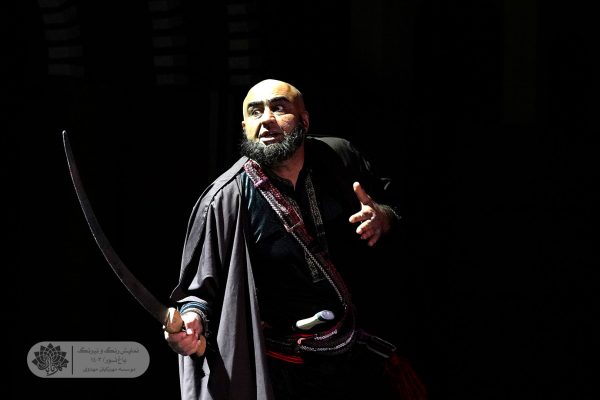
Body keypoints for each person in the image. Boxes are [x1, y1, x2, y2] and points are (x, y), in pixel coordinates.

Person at [165, 79, 427, 400]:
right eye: (255, 112)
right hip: (281, 367)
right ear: (245, 127)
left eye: (279, 108)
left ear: (304, 120)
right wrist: (192, 319)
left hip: (356, 352)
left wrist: (383, 218)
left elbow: (398, 207)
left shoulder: (339, 157)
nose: (266, 119)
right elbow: (199, 292)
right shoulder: (226, 199)